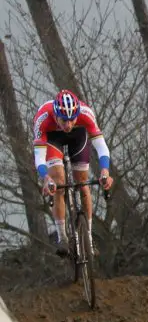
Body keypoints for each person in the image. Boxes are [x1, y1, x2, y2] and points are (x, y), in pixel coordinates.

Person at [33, 89, 114, 256]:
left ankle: (89, 238)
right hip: (52, 137)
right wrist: (46, 178)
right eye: (64, 120)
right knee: (59, 185)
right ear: (56, 116)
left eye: (72, 119)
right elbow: (39, 157)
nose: (68, 124)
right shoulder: (42, 118)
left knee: (83, 185)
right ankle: (62, 237)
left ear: (77, 114)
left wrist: (105, 171)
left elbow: (101, 146)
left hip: (79, 137)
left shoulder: (86, 114)